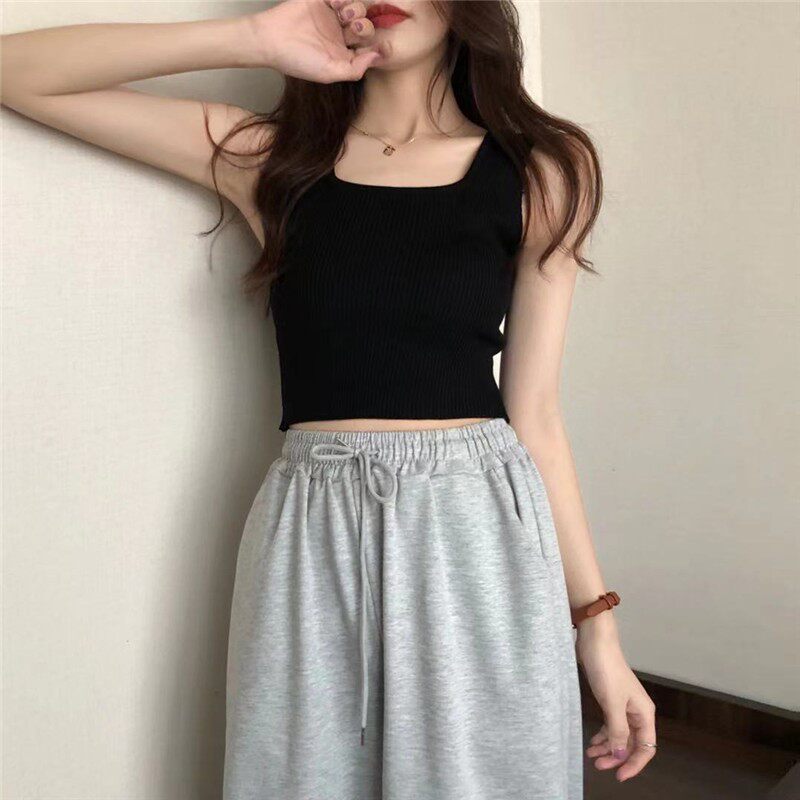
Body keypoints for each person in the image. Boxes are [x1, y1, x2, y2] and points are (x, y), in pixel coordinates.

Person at [1, 1, 658, 797]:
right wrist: (249, 39)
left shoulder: (540, 168)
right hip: (312, 527)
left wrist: (597, 631)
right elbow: (16, 73)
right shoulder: (269, 158)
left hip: (476, 529)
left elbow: (538, 418)